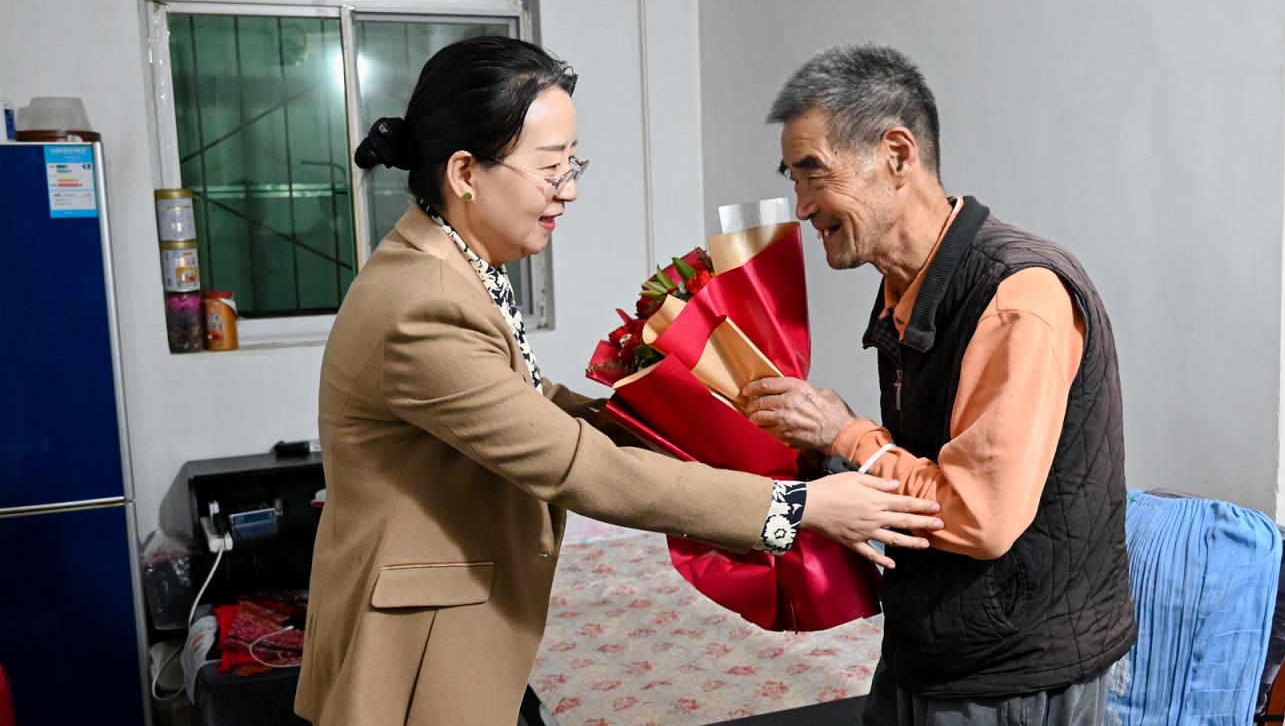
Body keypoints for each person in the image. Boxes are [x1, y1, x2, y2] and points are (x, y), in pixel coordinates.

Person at [293, 37, 945, 726]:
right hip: (411, 652)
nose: (569, 189)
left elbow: (529, 405)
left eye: (572, 164)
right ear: (465, 173)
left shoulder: (450, 266)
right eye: (550, 168)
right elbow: (577, 467)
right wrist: (799, 507)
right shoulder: (423, 305)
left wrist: (688, 416)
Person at [743, 43, 1136, 725]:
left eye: (814, 174)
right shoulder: (906, 287)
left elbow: (979, 516)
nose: (801, 208)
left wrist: (848, 435)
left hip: (1010, 676)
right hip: (931, 647)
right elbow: (925, 461)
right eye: (793, 179)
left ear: (897, 155)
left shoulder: (1018, 295)